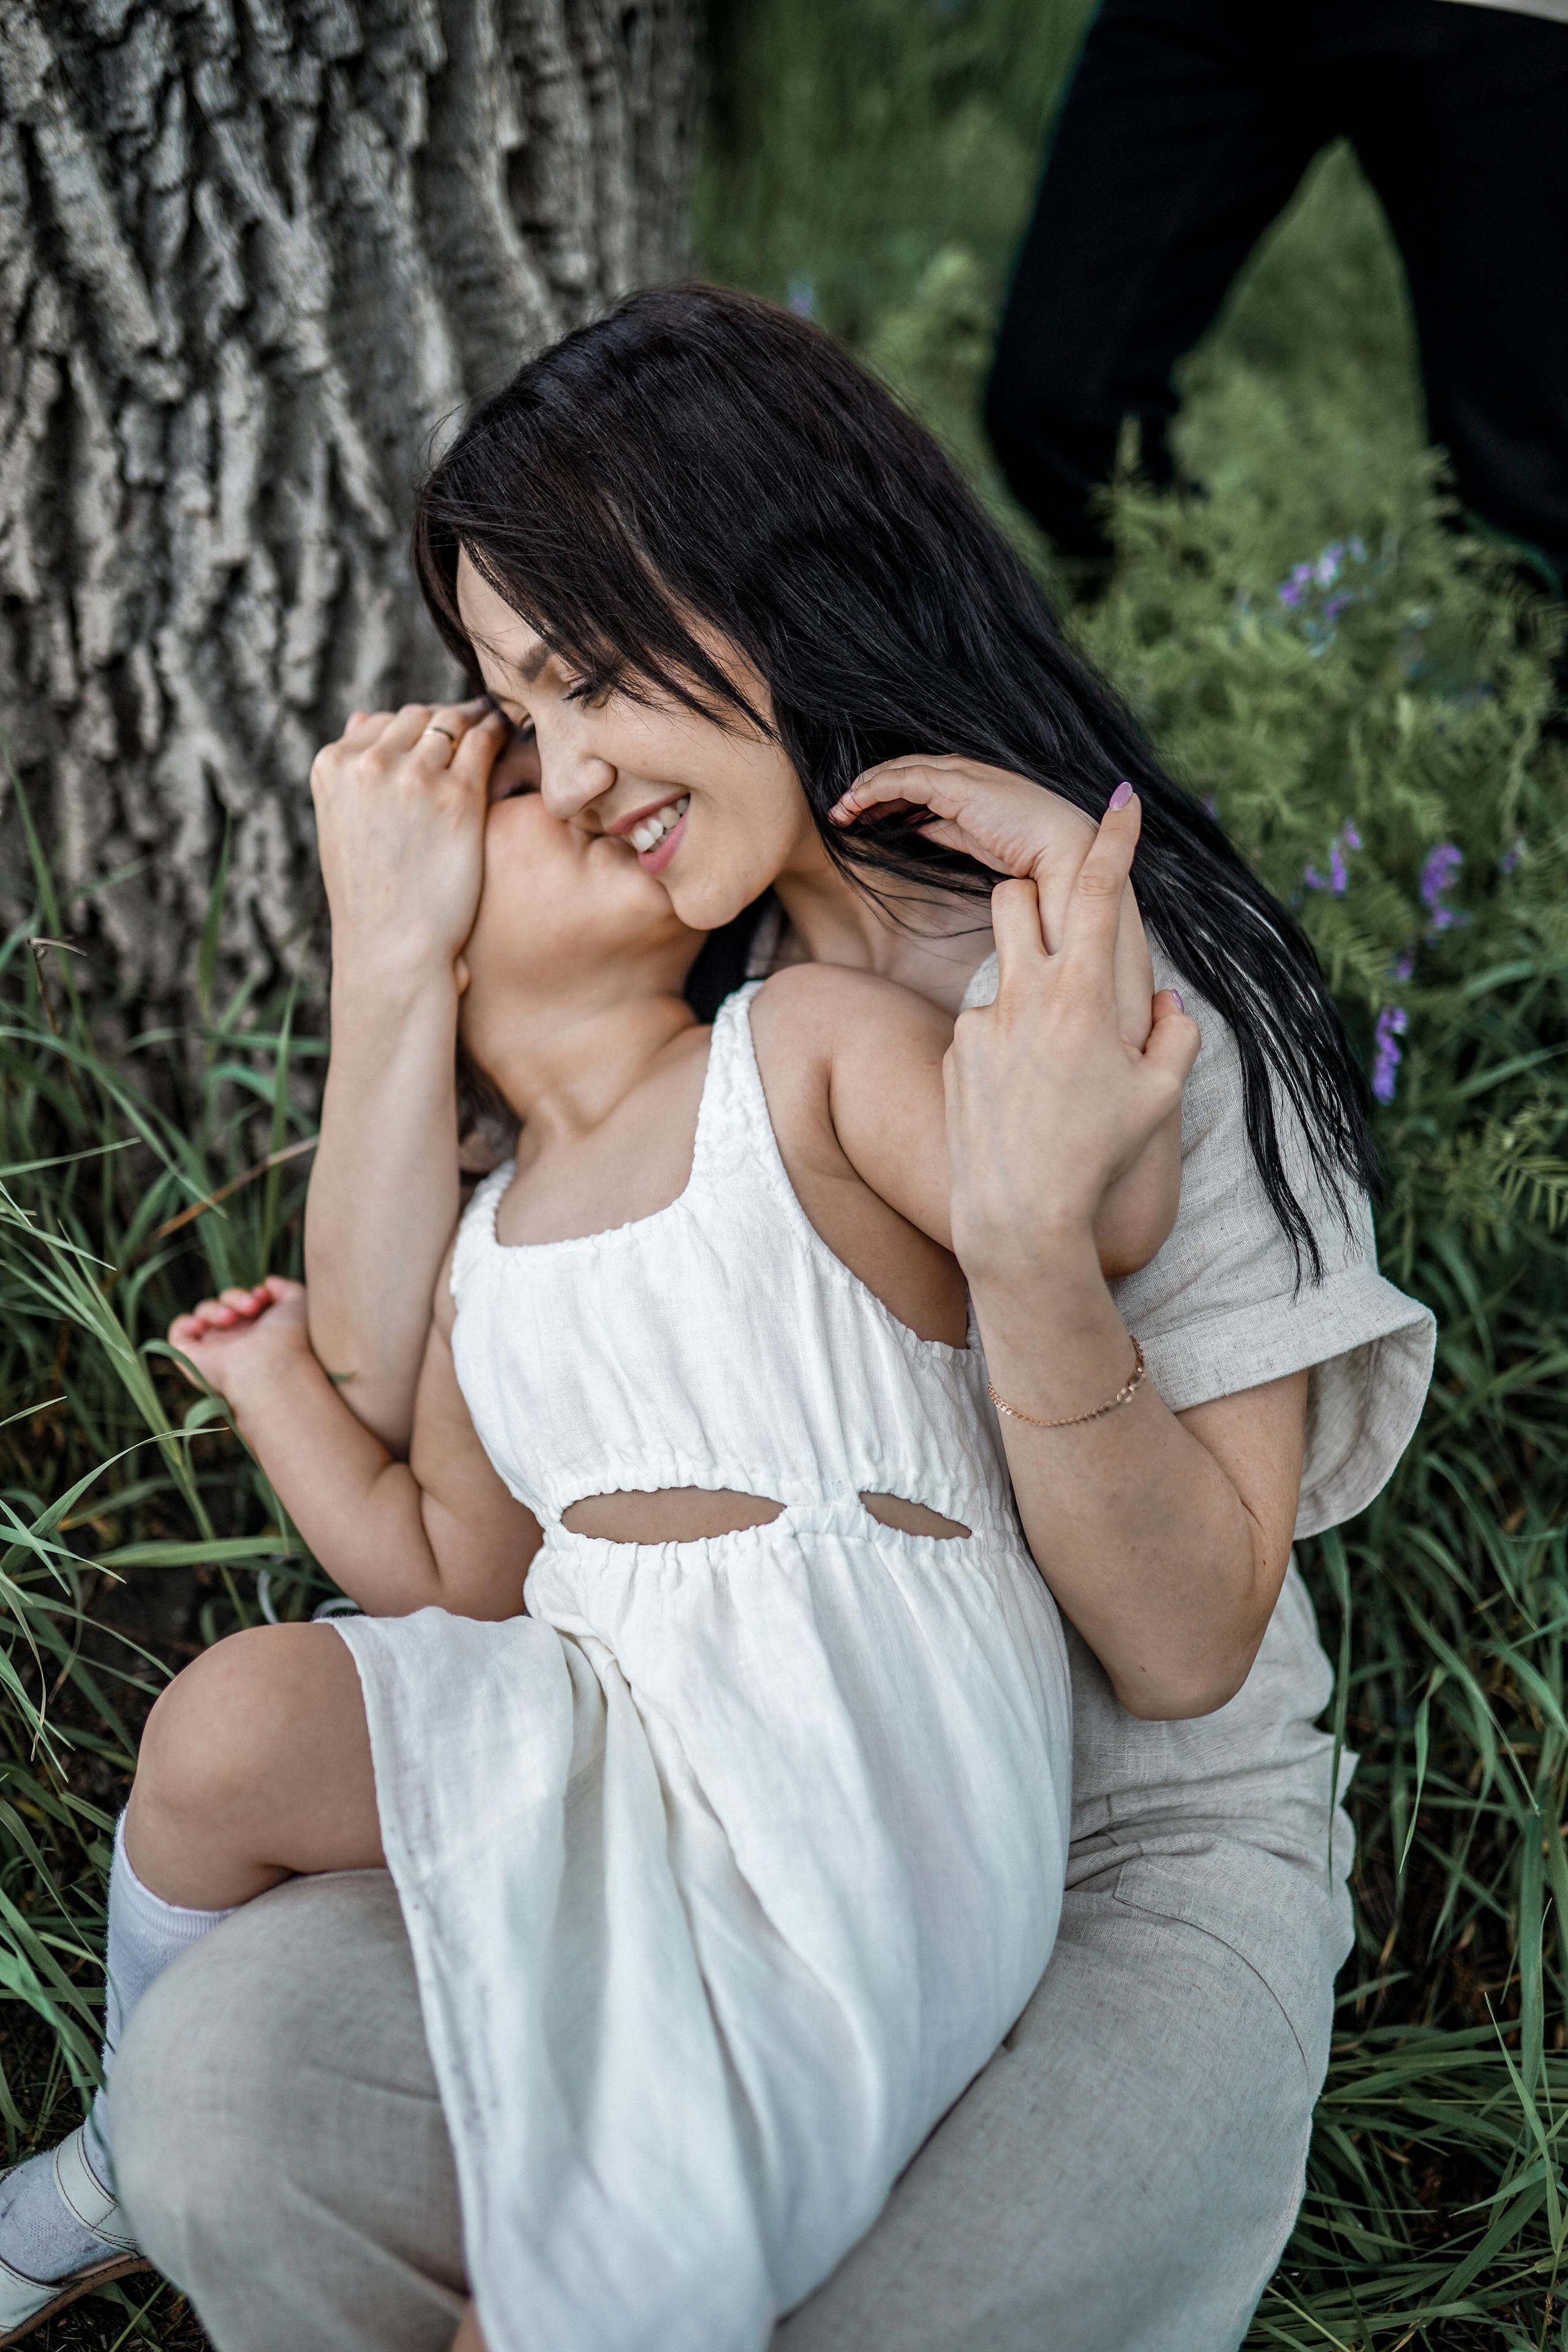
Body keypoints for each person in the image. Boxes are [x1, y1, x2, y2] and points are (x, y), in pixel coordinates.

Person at [107, 288, 1433, 2352]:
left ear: (759, 580)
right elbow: (383, 1389)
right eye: (512, 714)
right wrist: (394, 965)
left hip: (1119, 1873)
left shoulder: (1101, 980)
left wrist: (1022, 1238)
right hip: (704, 1807)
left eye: (573, 681)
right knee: (220, 2099)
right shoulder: (668, 985)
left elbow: (1183, 1654)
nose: (558, 769)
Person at [0, 752, 1193, 2348]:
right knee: (225, 1732)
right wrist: (282, 1391)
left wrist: (1076, 907)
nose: (572, 786)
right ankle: (118, 2143)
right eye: (520, 797)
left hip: (850, 1747)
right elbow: (447, 1578)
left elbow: (1074, 1214)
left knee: (600, 2280)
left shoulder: (796, 1049)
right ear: (447, 954)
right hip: (609, 1719)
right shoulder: (481, 1257)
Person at [987, 0, 1568, 594]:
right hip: (1208, 18)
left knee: (1521, 486)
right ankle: (1213, 650)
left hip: (1504, 23)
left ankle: (1529, 678)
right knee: (1058, 404)